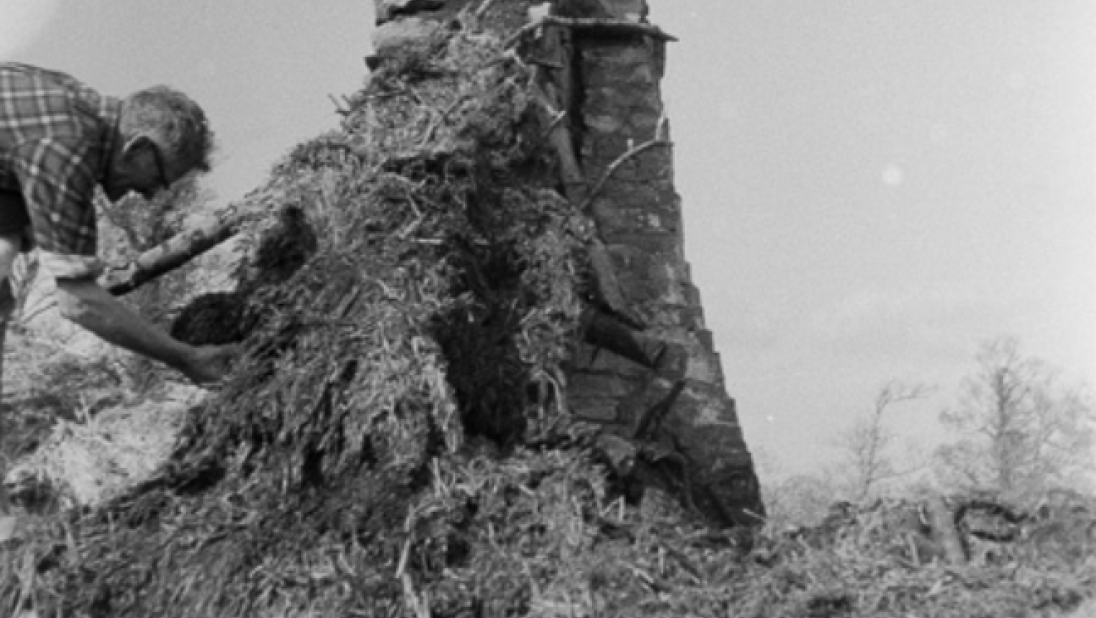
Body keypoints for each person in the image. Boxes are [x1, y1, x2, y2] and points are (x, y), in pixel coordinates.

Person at [0, 63, 237, 392]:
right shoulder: (68, 147)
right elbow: (77, 300)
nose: (152, 193)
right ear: (137, 148)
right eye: (159, 178)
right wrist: (185, 357)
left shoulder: (70, 101)